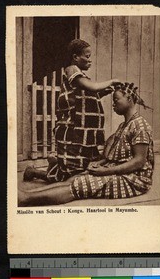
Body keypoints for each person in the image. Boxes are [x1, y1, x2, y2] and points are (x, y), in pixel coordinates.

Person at [19, 82, 154, 206]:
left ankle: (26, 199)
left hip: (134, 179)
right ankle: (29, 194)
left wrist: (106, 171)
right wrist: (99, 165)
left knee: (80, 185)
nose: (113, 104)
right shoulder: (124, 125)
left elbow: (139, 162)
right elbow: (112, 157)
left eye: (116, 100)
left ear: (129, 98)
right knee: (75, 178)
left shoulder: (140, 126)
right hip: (117, 170)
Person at [23, 39, 120, 183]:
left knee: (83, 166)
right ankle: (35, 171)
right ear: (75, 57)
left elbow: (90, 95)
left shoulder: (81, 78)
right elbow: (92, 87)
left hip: (82, 134)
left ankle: (55, 163)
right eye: (87, 56)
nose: (90, 60)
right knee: (71, 174)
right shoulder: (72, 70)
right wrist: (111, 82)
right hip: (73, 131)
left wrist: (106, 91)